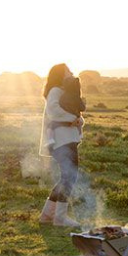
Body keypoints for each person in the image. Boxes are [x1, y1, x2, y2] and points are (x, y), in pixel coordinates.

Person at [38, 63, 84, 227]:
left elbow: (73, 113)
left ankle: (47, 215)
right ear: (60, 75)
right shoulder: (56, 90)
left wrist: (77, 119)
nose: (71, 73)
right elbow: (53, 110)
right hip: (62, 139)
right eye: (68, 71)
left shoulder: (62, 91)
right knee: (69, 177)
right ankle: (60, 218)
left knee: (66, 177)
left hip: (64, 138)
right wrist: (72, 118)